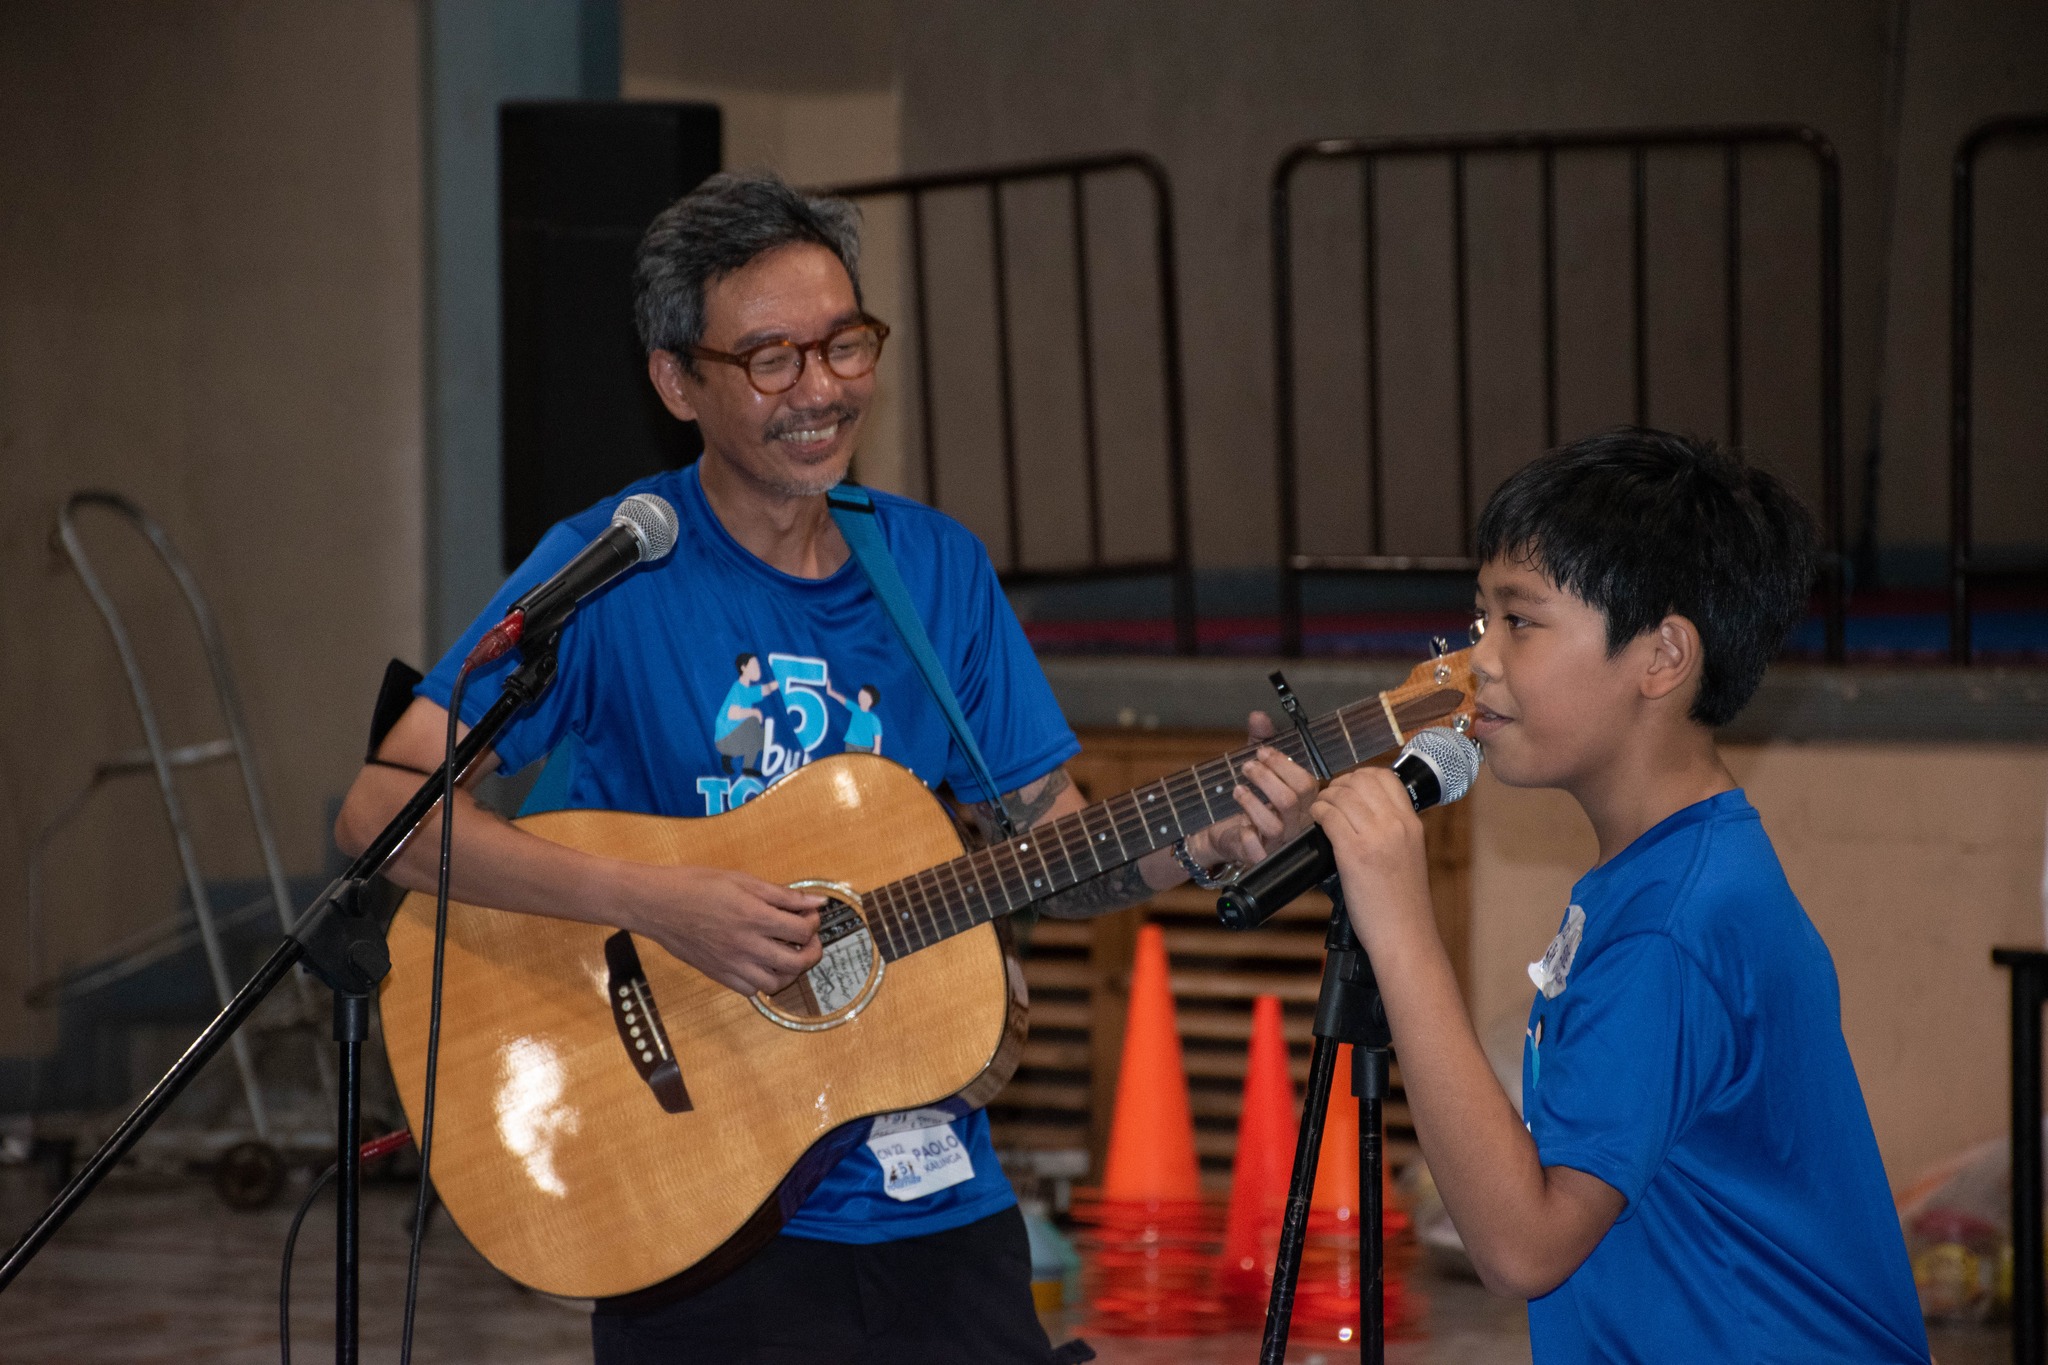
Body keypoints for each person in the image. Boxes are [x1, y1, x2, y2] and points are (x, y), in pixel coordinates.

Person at [334, 171, 1316, 1364]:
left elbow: (1054, 851)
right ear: (674, 380)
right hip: (695, 1186)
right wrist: (660, 905)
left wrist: (1205, 835)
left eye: (845, 344)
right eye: (771, 359)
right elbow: (382, 812)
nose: (824, 388)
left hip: (935, 1197)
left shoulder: (932, 568)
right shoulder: (606, 571)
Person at [1310, 429, 1929, 1362]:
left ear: (1663, 656)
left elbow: (1522, 1245)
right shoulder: (1667, 875)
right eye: (1481, 619)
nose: (1479, 660)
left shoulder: (1675, 924)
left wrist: (1401, 929)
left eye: (1519, 621)